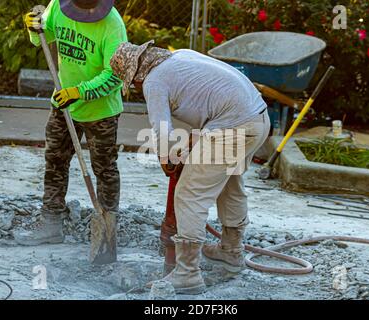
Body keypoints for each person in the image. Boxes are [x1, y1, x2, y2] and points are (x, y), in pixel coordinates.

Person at [111, 41, 270, 294]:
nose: (137, 89)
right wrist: (193, 142)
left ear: (136, 77)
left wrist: (167, 160)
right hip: (258, 119)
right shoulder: (181, 56)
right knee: (230, 184)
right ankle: (231, 251)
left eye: (133, 85)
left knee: (188, 194)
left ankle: (187, 274)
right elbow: (209, 98)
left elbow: (162, 131)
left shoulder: (153, 81)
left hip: (233, 126)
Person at [14, 0, 127, 245]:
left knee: (104, 169)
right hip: (63, 103)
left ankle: (107, 232)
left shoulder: (112, 25)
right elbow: (46, 36)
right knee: (55, 160)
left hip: (101, 112)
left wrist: (80, 92)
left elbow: (116, 76)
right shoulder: (59, 5)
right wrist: (34, 28)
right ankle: (51, 223)